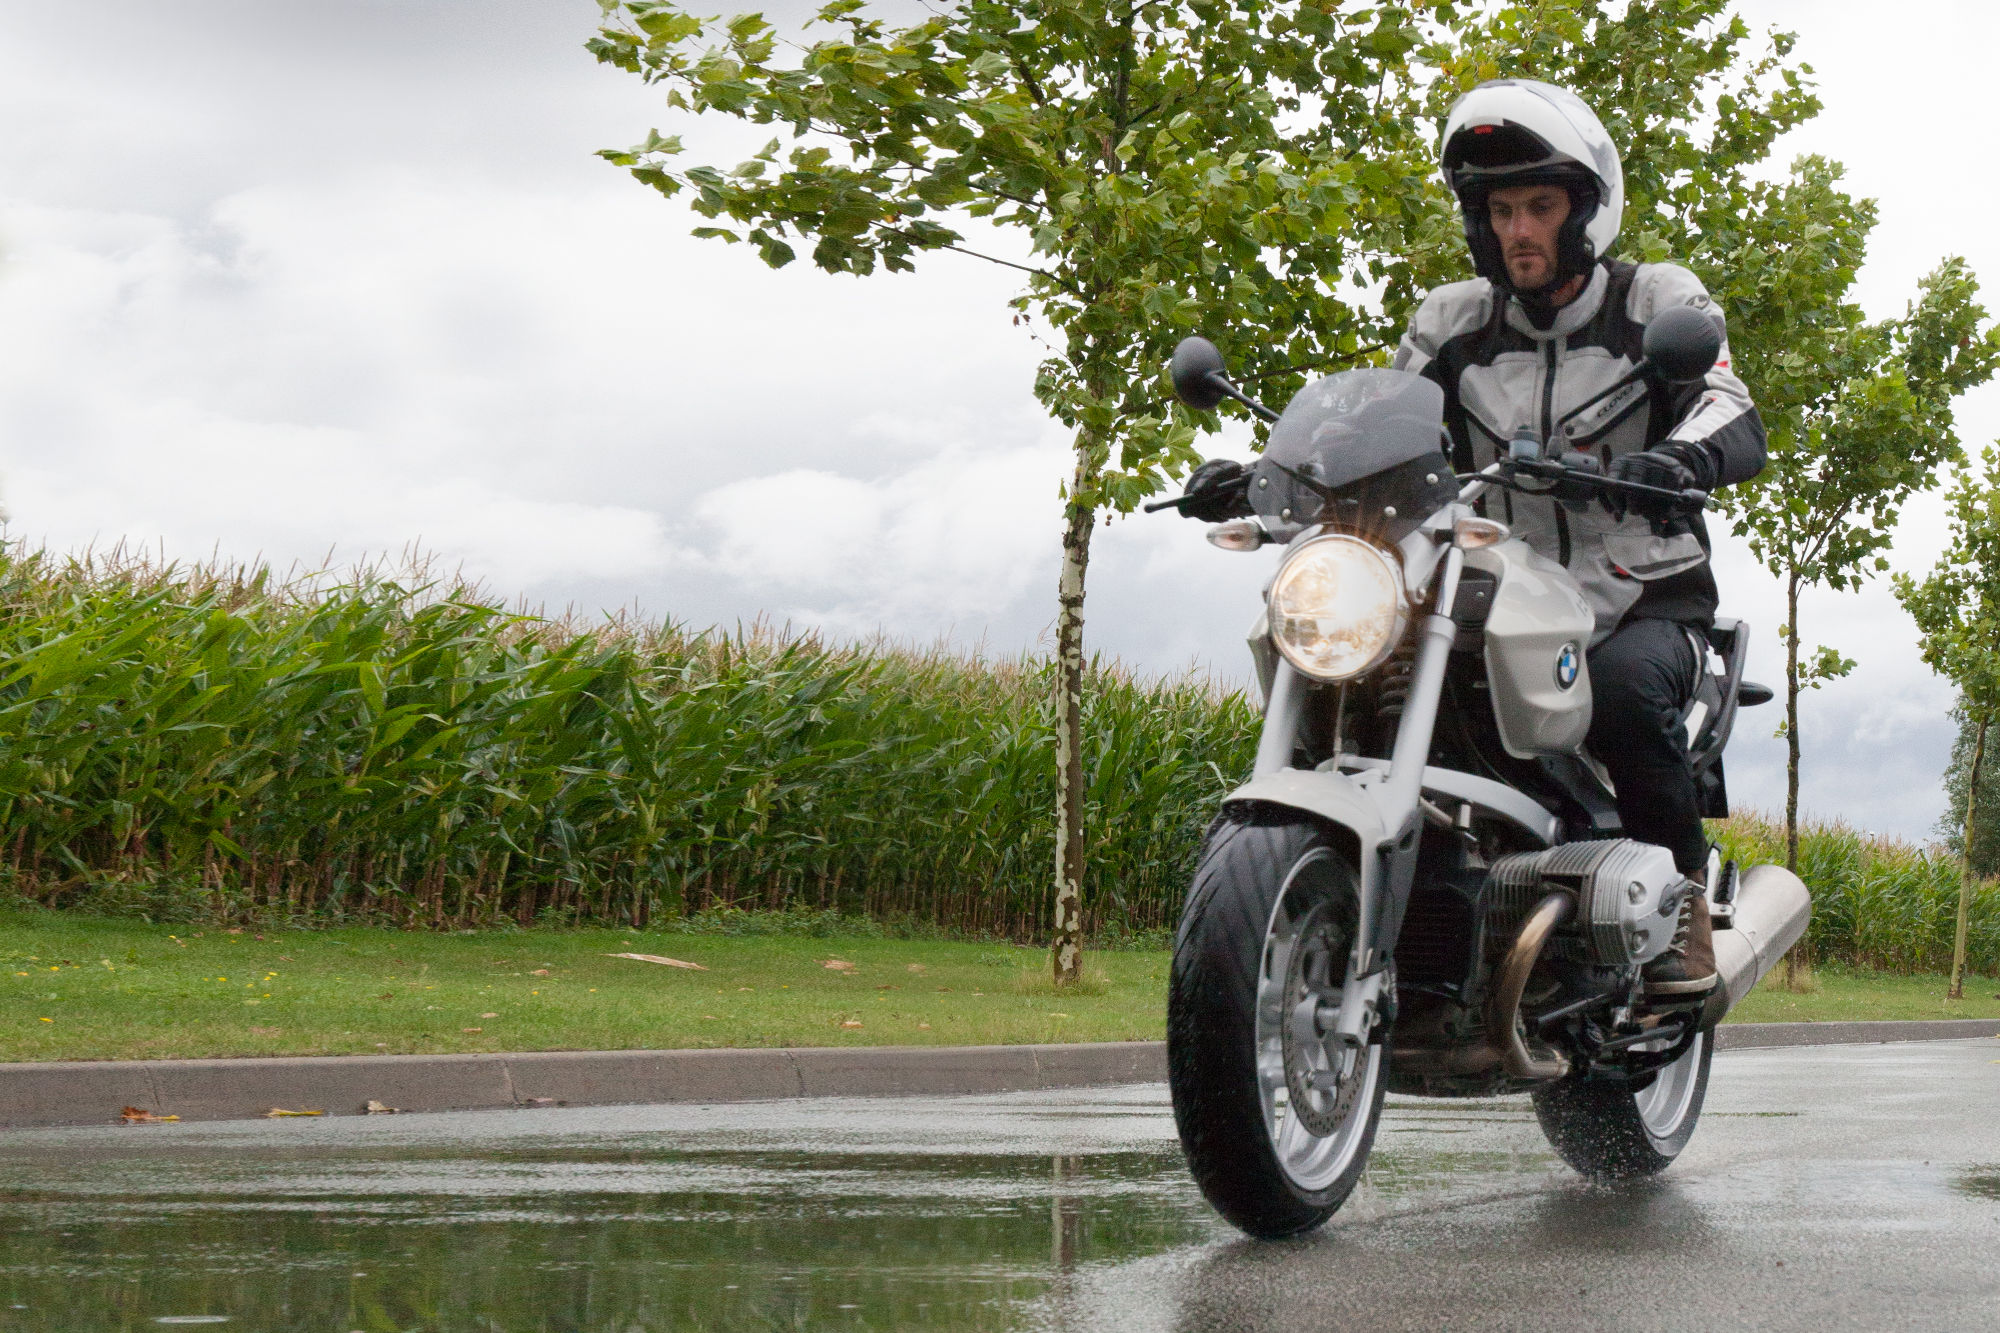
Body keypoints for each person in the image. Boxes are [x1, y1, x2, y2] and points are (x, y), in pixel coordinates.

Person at [1186, 79, 1766, 1005]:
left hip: (1638, 596)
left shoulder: (1655, 301)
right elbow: (1376, 429)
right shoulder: (1452, 320)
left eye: (1539, 207)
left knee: (1622, 697)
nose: (1518, 230)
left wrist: (1675, 460)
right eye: (1500, 211)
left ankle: (1683, 905)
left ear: (1586, 210)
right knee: (1363, 662)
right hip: (1499, 589)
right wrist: (1270, 471)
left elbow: (1729, 409)